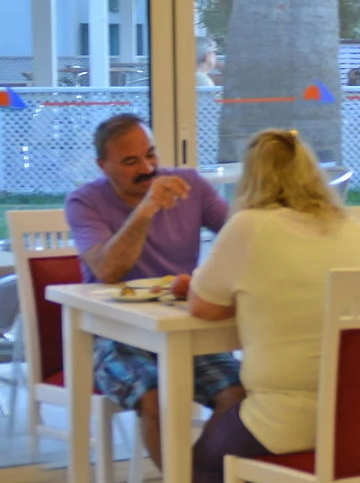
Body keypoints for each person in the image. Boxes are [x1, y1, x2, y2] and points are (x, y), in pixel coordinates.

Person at [184, 129, 360, 483]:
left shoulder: (248, 227)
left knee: (208, 456)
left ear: (251, 178)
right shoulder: (352, 227)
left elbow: (204, 307)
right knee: (338, 445)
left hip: (285, 412)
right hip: (358, 414)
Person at [64, 115, 243, 459]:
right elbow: (108, 270)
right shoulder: (84, 202)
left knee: (238, 397)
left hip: (181, 330)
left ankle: (203, 481)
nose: (147, 168)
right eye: (131, 162)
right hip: (115, 332)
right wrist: (146, 210)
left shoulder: (189, 185)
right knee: (155, 397)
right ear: (103, 166)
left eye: (150, 155)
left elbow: (240, 235)